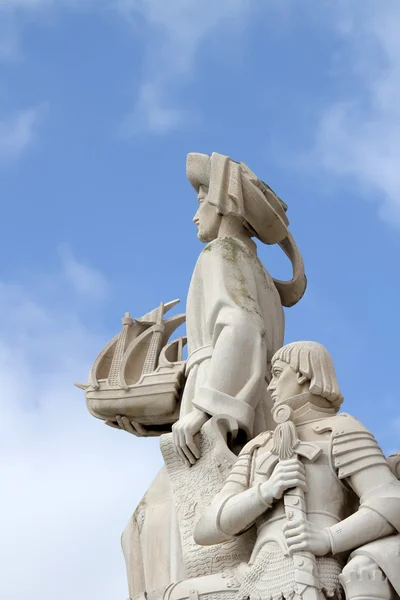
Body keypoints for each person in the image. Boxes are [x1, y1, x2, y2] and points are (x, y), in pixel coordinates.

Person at [194, 341, 400, 600]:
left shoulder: (339, 430)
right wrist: (265, 492)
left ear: (303, 374)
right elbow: (207, 528)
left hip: (319, 570)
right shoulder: (257, 446)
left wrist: (328, 538)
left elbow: (390, 501)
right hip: (256, 572)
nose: (270, 386)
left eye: (278, 374)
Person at [171, 152, 306, 466]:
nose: (195, 215)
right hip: (255, 398)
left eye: (201, 201)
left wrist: (205, 409)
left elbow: (242, 326)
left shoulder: (221, 251)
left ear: (223, 204)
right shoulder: (264, 278)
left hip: (220, 398)